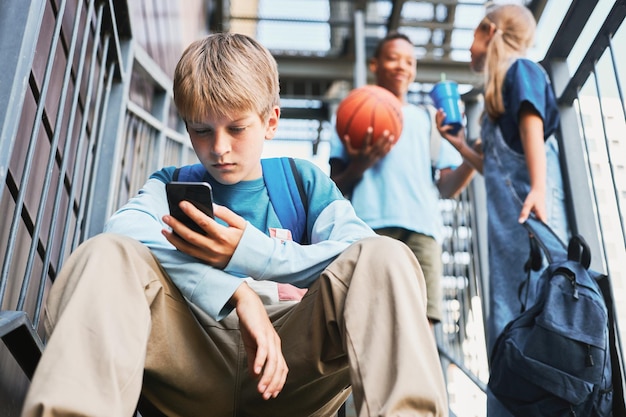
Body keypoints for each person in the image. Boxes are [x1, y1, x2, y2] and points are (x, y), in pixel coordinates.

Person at [21, 33, 448, 417]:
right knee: (107, 254)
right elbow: (122, 231)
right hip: (191, 357)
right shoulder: (173, 184)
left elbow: (360, 251)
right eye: (202, 130)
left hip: (292, 364)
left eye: (237, 128)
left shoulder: (300, 182)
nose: (219, 148)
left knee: (387, 255)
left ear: (271, 122)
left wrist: (249, 254)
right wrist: (236, 293)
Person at [434, 4, 569, 416]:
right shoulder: (496, 98)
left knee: (540, 310)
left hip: (531, 216)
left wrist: (540, 189)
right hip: (507, 230)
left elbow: (531, 120)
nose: (469, 52)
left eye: (473, 38)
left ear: (490, 32)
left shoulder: (519, 69)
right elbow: (492, 166)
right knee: (512, 322)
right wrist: (459, 145)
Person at [329, 32, 475, 325]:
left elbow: (447, 188)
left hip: (422, 230)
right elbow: (334, 187)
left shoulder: (429, 120)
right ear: (375, 64)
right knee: (371, 322)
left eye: (409, 61)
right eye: (393, 58)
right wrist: (362, 163)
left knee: (422, 323)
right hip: (369, 229)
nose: (402, 66)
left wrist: (471, 159)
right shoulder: (351, 113)